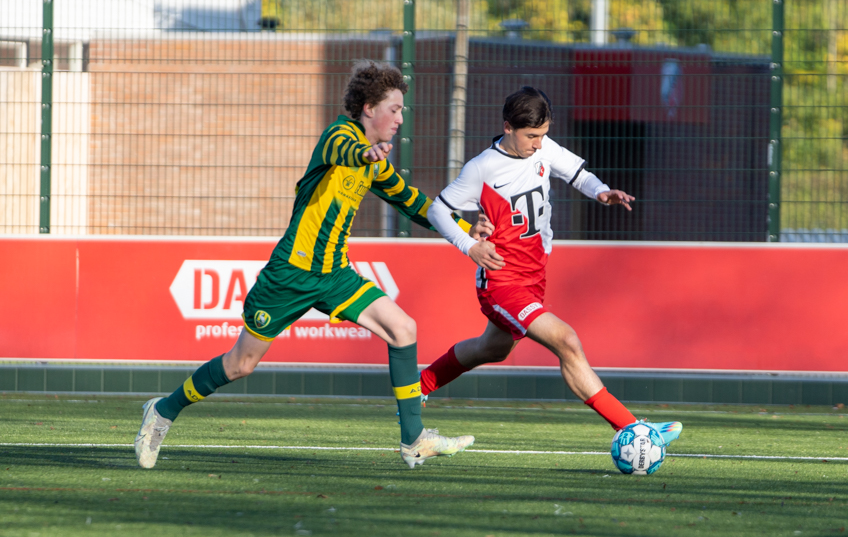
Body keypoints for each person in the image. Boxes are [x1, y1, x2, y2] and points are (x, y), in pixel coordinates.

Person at [135, 61, 486, 470]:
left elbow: (414, 202)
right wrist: (364, 152)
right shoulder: (340, 136)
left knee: (403, 328)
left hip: (334, 275)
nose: (400, 117)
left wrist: (465, 228)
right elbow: (344, 151)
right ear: (369, 108)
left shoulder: (376, 164)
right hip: (290, 274)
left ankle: (413, 439)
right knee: (240, 364)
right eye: (395, 108)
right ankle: (162, 410)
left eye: (402, 109)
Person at [420, 86, 683, 447]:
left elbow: (578, 175)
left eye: (543, 135)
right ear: (508, 127)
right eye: (531, 136)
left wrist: (602, 191)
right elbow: (438, 210)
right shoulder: (482, 168)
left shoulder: (544, 149)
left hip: (533, 278)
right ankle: (632, 429)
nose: (539, 144)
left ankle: (416, 387)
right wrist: (470, 246)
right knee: (567, 341)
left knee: (491, 349)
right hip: (501, 282)